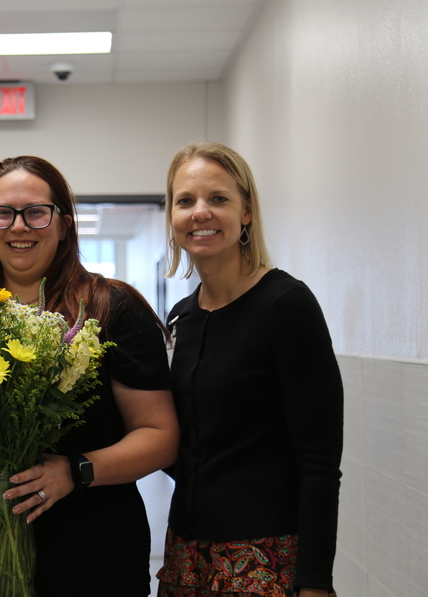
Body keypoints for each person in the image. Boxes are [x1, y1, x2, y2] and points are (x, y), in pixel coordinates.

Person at [0, 156, 179, 597]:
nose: (18, 226)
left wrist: (77, 470)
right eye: (3, 213)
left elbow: (159, 434)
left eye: (36, 212)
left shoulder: (112, 310)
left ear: (64, 224)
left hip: (90, 556)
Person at [157, 142, 343, 597]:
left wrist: (315, 583)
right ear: (173, 217)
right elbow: (190, 443)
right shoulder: (183, 316)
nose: (200, 212)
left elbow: (319, 465)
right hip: (186, 552)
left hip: (265, 559)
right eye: (186, 201)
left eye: (218, 199)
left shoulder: (286, 305)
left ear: (246, 212)